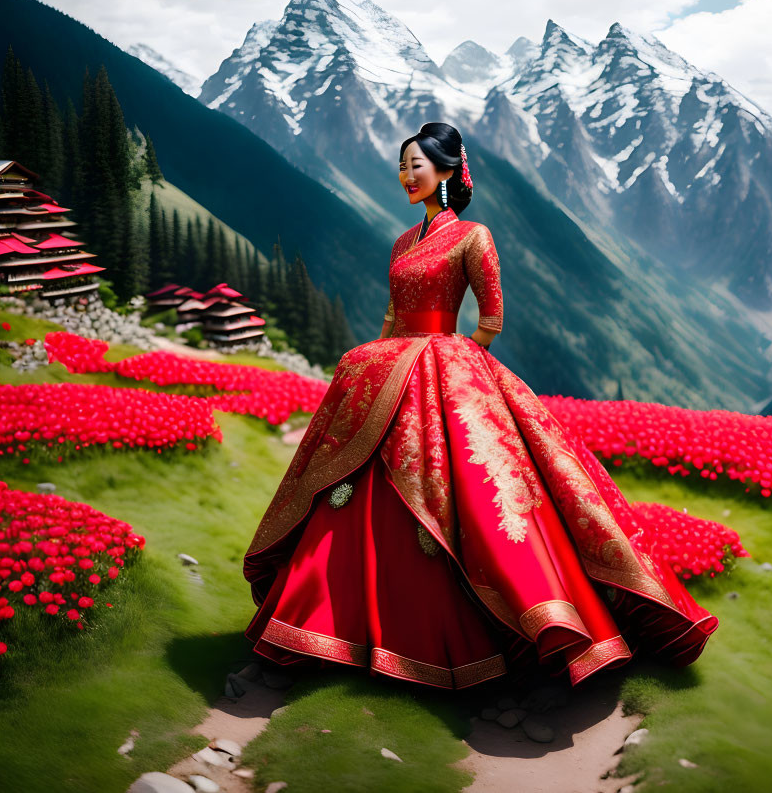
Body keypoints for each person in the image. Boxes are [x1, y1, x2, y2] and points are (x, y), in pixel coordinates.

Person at [243, 122, 717, 690]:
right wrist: (384, 358)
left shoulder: (474, 235)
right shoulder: (401, 242)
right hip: (392, 365)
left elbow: (491, 319)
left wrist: (452, 364)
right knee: (352, 492)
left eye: (416, 165)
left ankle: (496, 621)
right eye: (402, 166)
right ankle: (329, 625)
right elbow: (392, 318)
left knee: (479, 493)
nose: (406, 176)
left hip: (448, 365)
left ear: (446, 172)